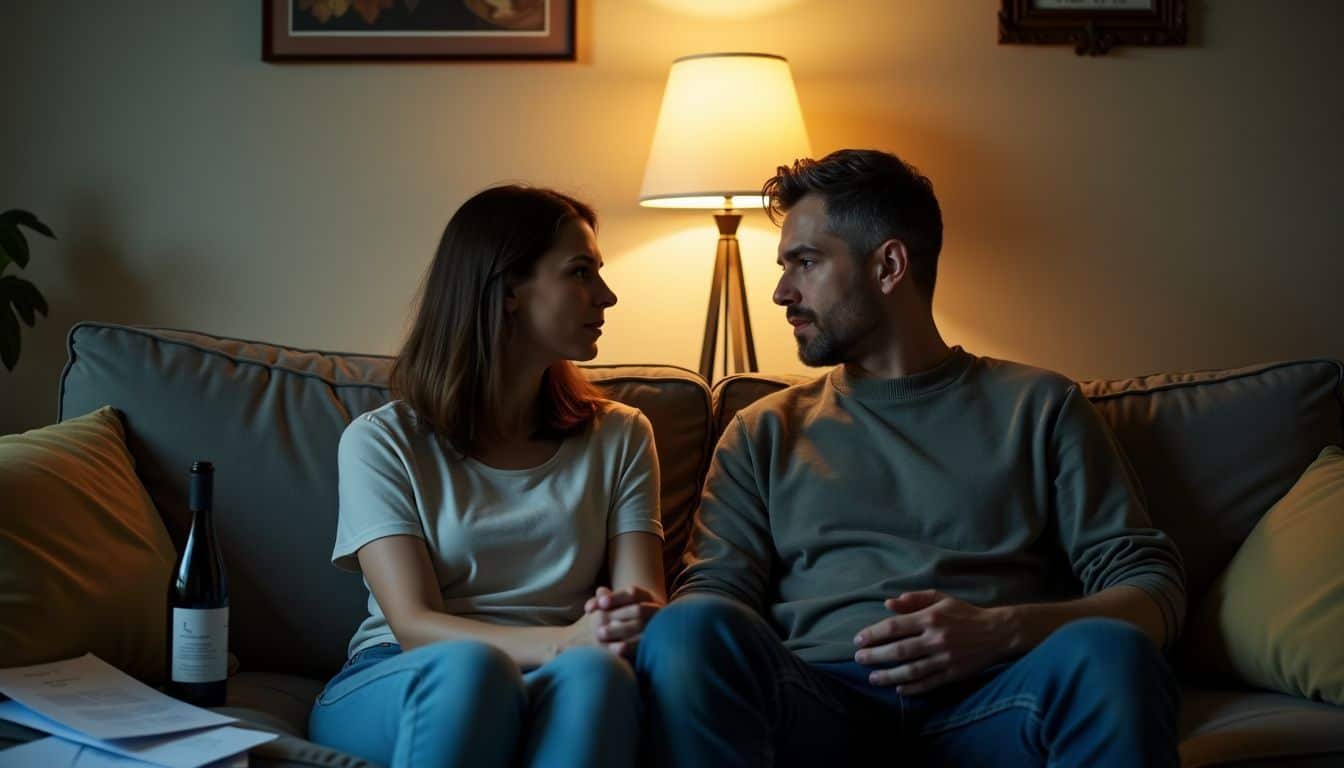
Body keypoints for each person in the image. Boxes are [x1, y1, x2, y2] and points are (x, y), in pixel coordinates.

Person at [635, 149, 1187, 767]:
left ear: (889, 266)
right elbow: (713, 596)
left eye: (807, 263)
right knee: (685, 631)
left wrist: (997, 630)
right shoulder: (764, 431)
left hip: (995, 704)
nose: (782, 292)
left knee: (1114, 655)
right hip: (817, 709)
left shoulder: (1038, 406)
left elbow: (1150, 592)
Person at [309, 185, 666, 768]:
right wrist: (563, 640)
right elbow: (414, 624)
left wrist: (603, 633)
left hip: (566, 670)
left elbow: (642, 601)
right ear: (508, 293)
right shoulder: (380, 441)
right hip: (404, 673)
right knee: (476, 671)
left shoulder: (622, 435)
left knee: (599, 676)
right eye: (581, 273)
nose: (607, 295)